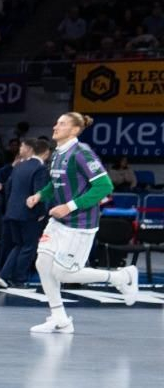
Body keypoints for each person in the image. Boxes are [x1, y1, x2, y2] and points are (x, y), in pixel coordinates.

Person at [27, 112, 139, 333]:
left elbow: (105, 186)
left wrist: (69, 207)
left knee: (63, 273)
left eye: (62, 124)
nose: (55, 126)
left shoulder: (82, 153)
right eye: (56, 122)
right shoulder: (58, 154)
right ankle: (60, 318)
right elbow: (55, 183)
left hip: (80, 224)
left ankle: (121, 276)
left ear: (75, 130)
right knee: (42, 264)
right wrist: (40, 195)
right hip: (58, 221)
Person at [0, 138, 49, 288]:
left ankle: (3, 275)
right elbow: (39, 193)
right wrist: (41, 213)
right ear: (46, 152)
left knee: (19, 245)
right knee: (29, 246)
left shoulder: (19, 166)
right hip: (29, 213)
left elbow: (8, 189)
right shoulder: (41, 169)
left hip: (12, 212)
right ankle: (19, 279)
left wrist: (10, 208)